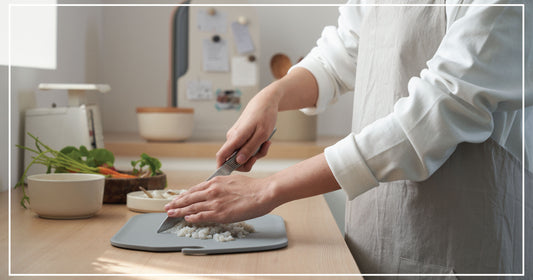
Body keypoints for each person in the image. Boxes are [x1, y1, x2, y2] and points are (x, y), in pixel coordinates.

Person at [165, 0, 532, 277]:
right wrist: (273, 95)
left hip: (465, 237)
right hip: (373, 229)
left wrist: (269, 188)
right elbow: (338, 56)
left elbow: (431, 119)